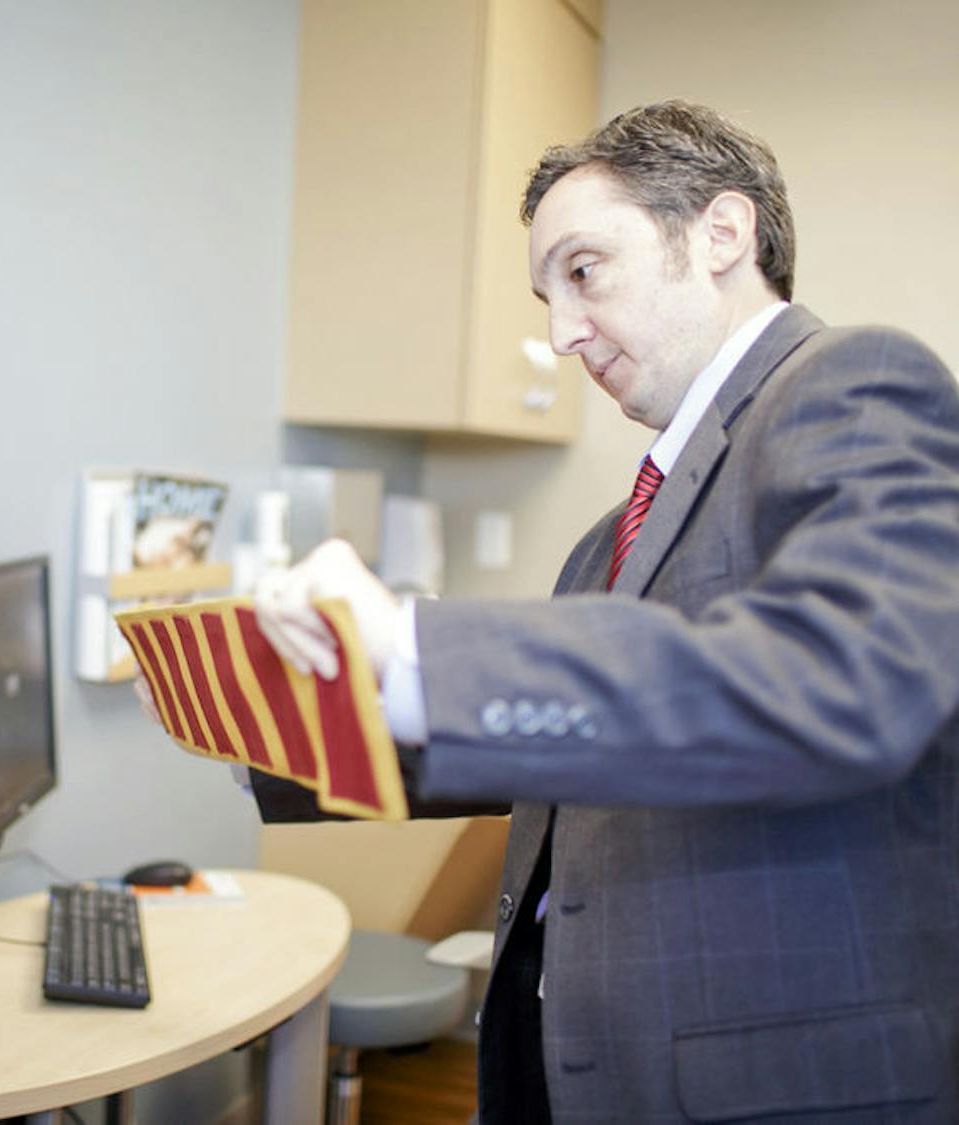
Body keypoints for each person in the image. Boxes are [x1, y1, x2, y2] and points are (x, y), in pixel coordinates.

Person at [244, 102, 959, 1121]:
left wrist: (408, 642)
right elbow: (548, 755)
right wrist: (266, 718)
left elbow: (846, 678)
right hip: (582, 1056)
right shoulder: (610, 537)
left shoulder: (854, 383)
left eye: (584, 272)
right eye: (545, 295)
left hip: (768, 1082)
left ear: (721, 234)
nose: (559, 333)